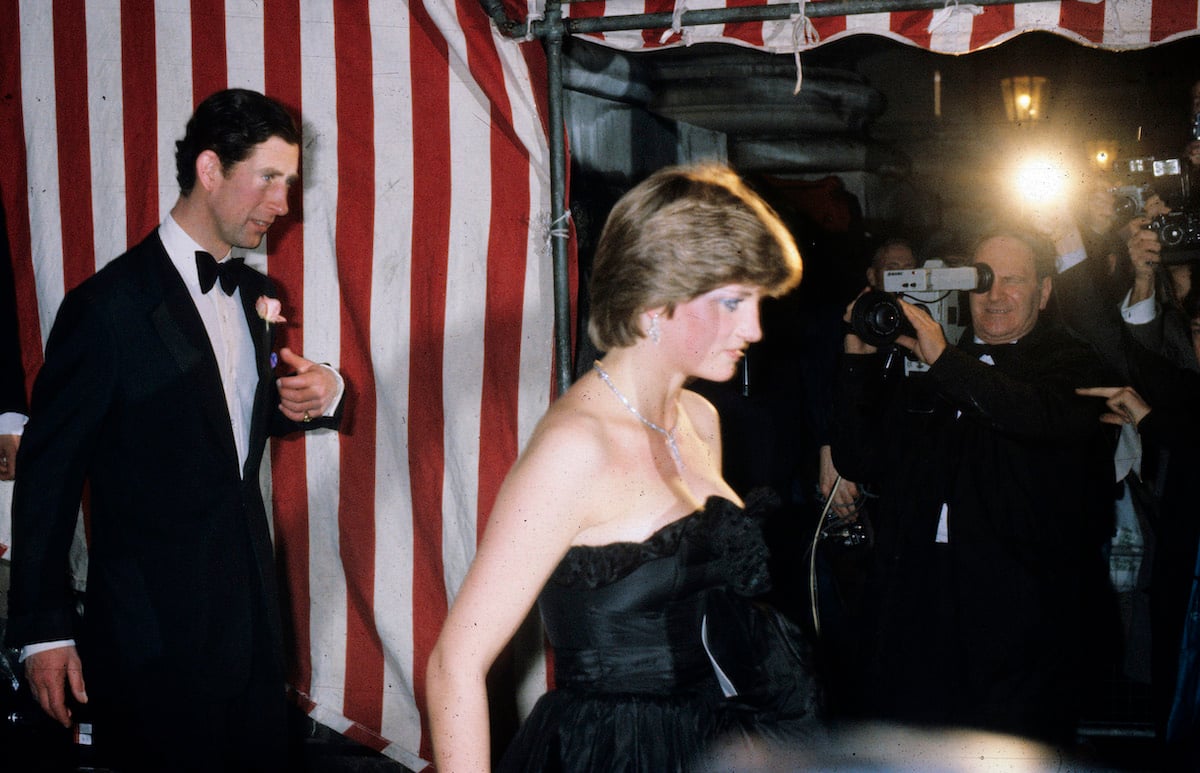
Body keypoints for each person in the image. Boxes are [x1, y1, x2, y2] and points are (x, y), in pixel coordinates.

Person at [426, 163, 821, 771]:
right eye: (733, 302)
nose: (754, 328)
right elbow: (456, 662)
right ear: (656, 302)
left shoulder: (700, 419)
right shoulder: (575, 448)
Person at [4, 88, 343, 772]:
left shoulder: (255, 297)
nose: (284, 203)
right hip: (149, 642)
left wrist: (325, 388)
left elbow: (242, 412)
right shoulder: (105, 309)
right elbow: (47, 474)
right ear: (211, 169)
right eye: (270, 179)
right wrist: (42, 633)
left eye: (290, 182)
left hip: (252, 634)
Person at [831, 223, 1114, 744]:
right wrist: (858, 360)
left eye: (1014, 281)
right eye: (982, 280)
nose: (995, 295)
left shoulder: (1069, 361)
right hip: (921, 597)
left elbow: (1029, 413)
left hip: (1019, 615)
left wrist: (943, 360)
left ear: (1044, 291)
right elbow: (862, 458)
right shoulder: (935, 360)